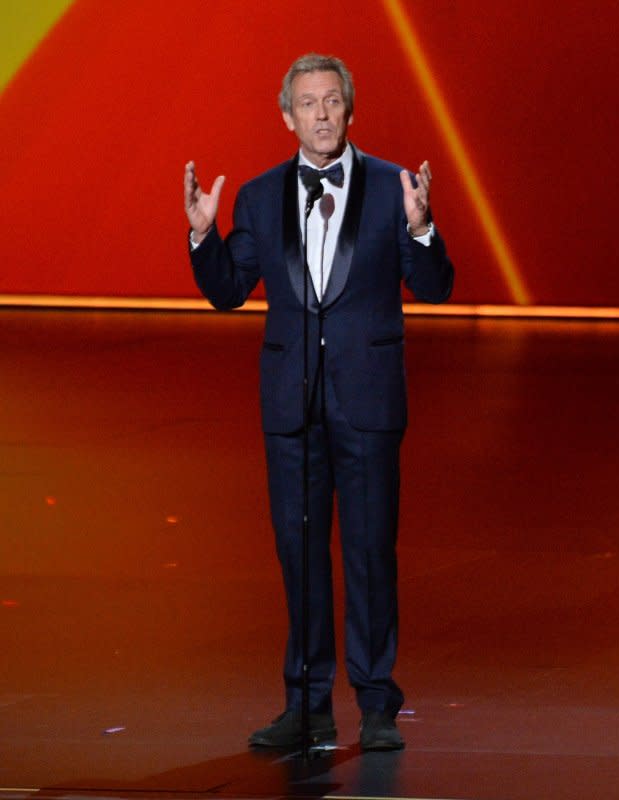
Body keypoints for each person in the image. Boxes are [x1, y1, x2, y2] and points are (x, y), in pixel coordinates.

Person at [184, 53, 454, 752]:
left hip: (366, 402)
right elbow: (226, 290)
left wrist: (422, 228)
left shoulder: (396, 186)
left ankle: (374, 702)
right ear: (287, 117)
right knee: (298, 553)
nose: (322, 114)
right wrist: (201, 236)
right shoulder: (260, 194)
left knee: (368, 552)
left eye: (332, 101)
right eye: (307, 103)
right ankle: (304, 703)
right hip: (290, 406)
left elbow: (435, 287)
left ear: (349, 110)